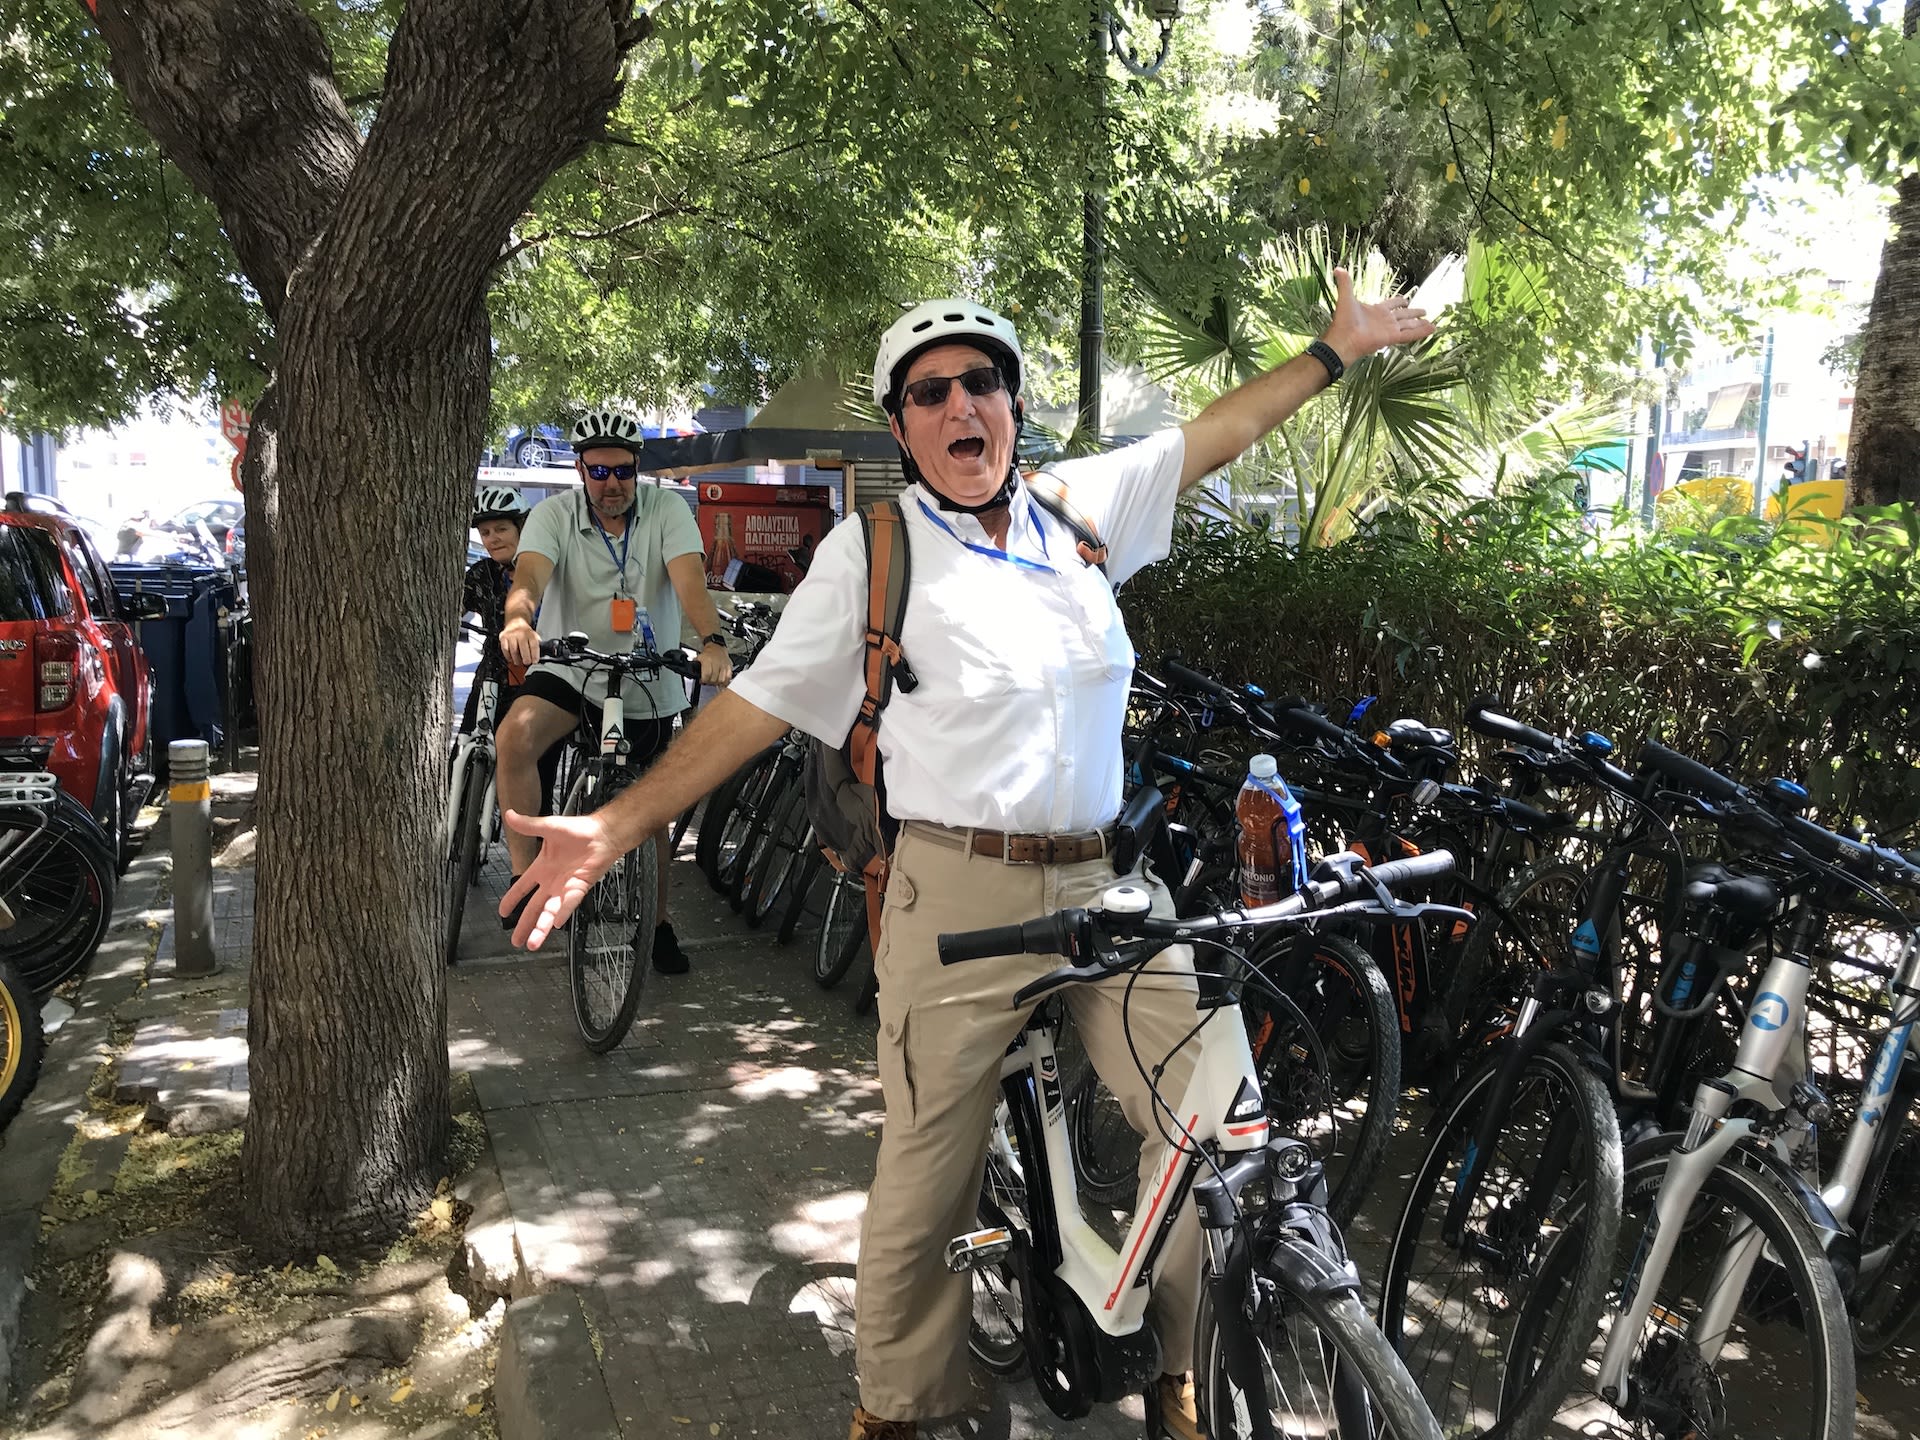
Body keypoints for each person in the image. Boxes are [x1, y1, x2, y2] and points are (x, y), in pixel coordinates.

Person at [498, 279, 1434, 1438]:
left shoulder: (1078, 511)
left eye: (980, 381)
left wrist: (1335, 349)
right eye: (929, 392)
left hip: (1109, 881)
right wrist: (615, 827)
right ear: (902, 429)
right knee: (928, 1172)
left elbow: (1216, 434)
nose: (959, 405)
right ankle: (896, 1410)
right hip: (954, 890)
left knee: (1214, 1121)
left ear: (1012, 404)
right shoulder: (874, 552)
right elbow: (756, 708)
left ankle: (1179, 1367)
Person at [496, 407, 735, 973]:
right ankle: (524, 875)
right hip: (572, 667)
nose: (612, 484)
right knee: (514, 737)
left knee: (651, 811)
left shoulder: (667, 510)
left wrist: (713, 642)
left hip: (648, 671)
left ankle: (657, 925)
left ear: (637, 469)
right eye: (599, 472)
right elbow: (529, 579)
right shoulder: (553, 514)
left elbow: (690, 583)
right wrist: (518, 622)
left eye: (623, 471)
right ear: (580, 470)